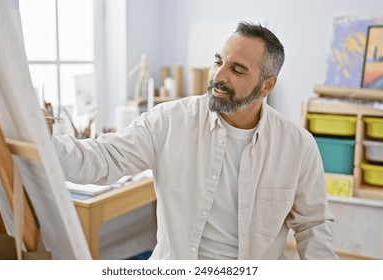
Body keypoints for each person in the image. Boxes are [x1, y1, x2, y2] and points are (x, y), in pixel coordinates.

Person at [52, 21, 338, 260]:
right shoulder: (169, 121)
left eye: (237, 70)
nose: (218, 76)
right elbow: (100, 159)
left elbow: (314, 226)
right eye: (218, 61)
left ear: (267, 85)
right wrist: (40, 141)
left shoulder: (298, 146)